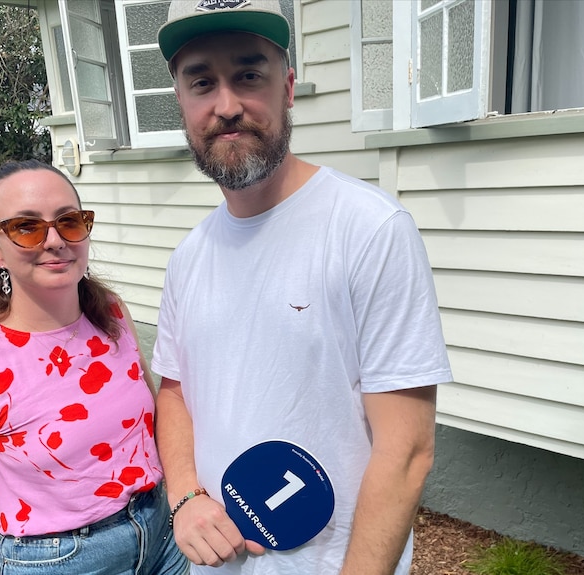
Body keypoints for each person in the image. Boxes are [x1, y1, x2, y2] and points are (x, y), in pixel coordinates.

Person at [151, 1, 453, 574]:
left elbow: (408, 450)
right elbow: (175, 391)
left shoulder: (369, 229)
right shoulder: (188, 259)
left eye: (248, 75)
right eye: (202, 83)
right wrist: (185, 497)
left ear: (287, 87)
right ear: (182, 104)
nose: (227, 105)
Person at [0, 159, 188, 575]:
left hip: (159, 536)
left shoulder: (112, 315)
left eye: (68, 221)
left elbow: (149, 425)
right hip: (61, 561)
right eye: (26, 227)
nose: (54, 240)